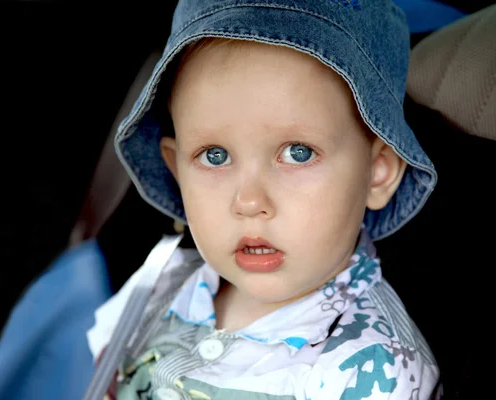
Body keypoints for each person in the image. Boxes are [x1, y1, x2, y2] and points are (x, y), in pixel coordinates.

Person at [91, 1, 440, 398]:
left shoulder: (371, 369)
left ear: (377, 172)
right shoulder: (161, 284)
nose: (249, 201)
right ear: (176, 170)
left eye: (298, 153)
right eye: (215, 156)